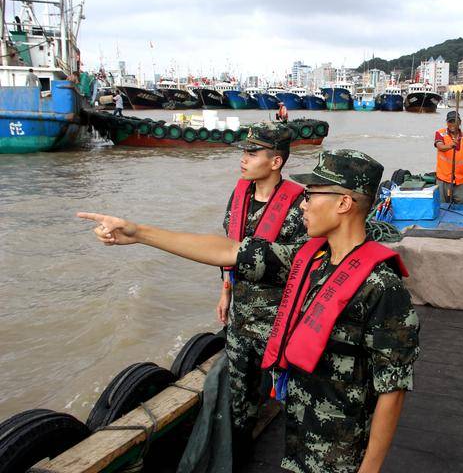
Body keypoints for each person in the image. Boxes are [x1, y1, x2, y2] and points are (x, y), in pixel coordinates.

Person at [77, 149, 419, 473]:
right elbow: (228, 251)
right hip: (299, 436)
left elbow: (393, 390)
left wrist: (370, 469)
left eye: (312, 194)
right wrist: (139, 233)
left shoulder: (381, 287)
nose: (302, 205)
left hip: (342, 453)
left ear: (344, 203)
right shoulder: (309, 259)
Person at [218, 123, 306, 458]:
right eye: (244, 152)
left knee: (292, 394)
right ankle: (239, 451)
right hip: (240, 315)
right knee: (239, 395)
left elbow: (303, 268)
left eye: (252, 153)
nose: (243, 159)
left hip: (279, 320)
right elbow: (228, 249)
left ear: (275, 162)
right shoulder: (239, 194)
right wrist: (225, 291)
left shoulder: (301, 206)